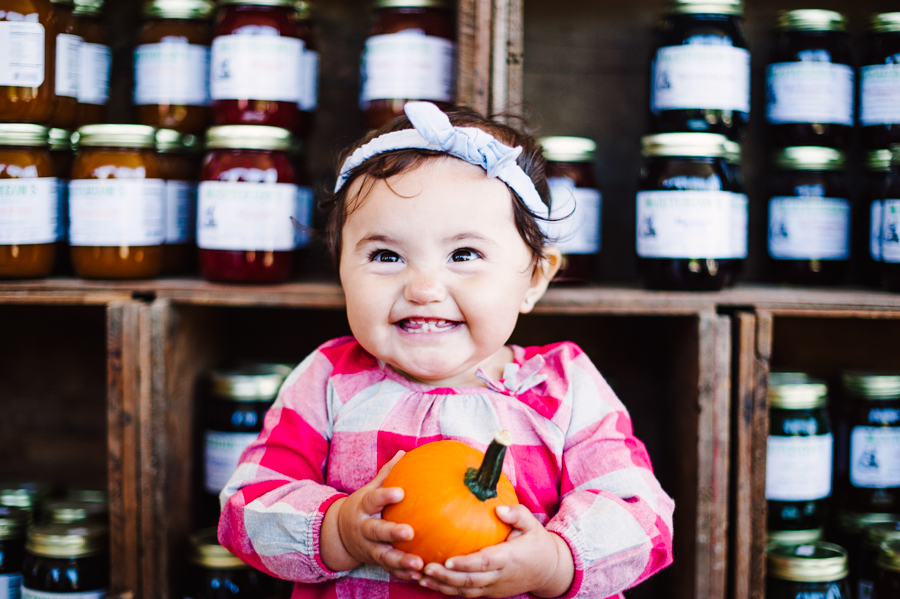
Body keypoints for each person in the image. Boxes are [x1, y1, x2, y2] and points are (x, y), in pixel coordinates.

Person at [218, 101, 675, 599]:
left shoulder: (561, 387)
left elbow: (641, 516)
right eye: (386, 255)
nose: (424, 287)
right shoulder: (329, 379)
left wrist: (554, 563)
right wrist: (341, 530)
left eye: (464, 254)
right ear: (341, 270)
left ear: (534, 278)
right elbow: (245, 510)